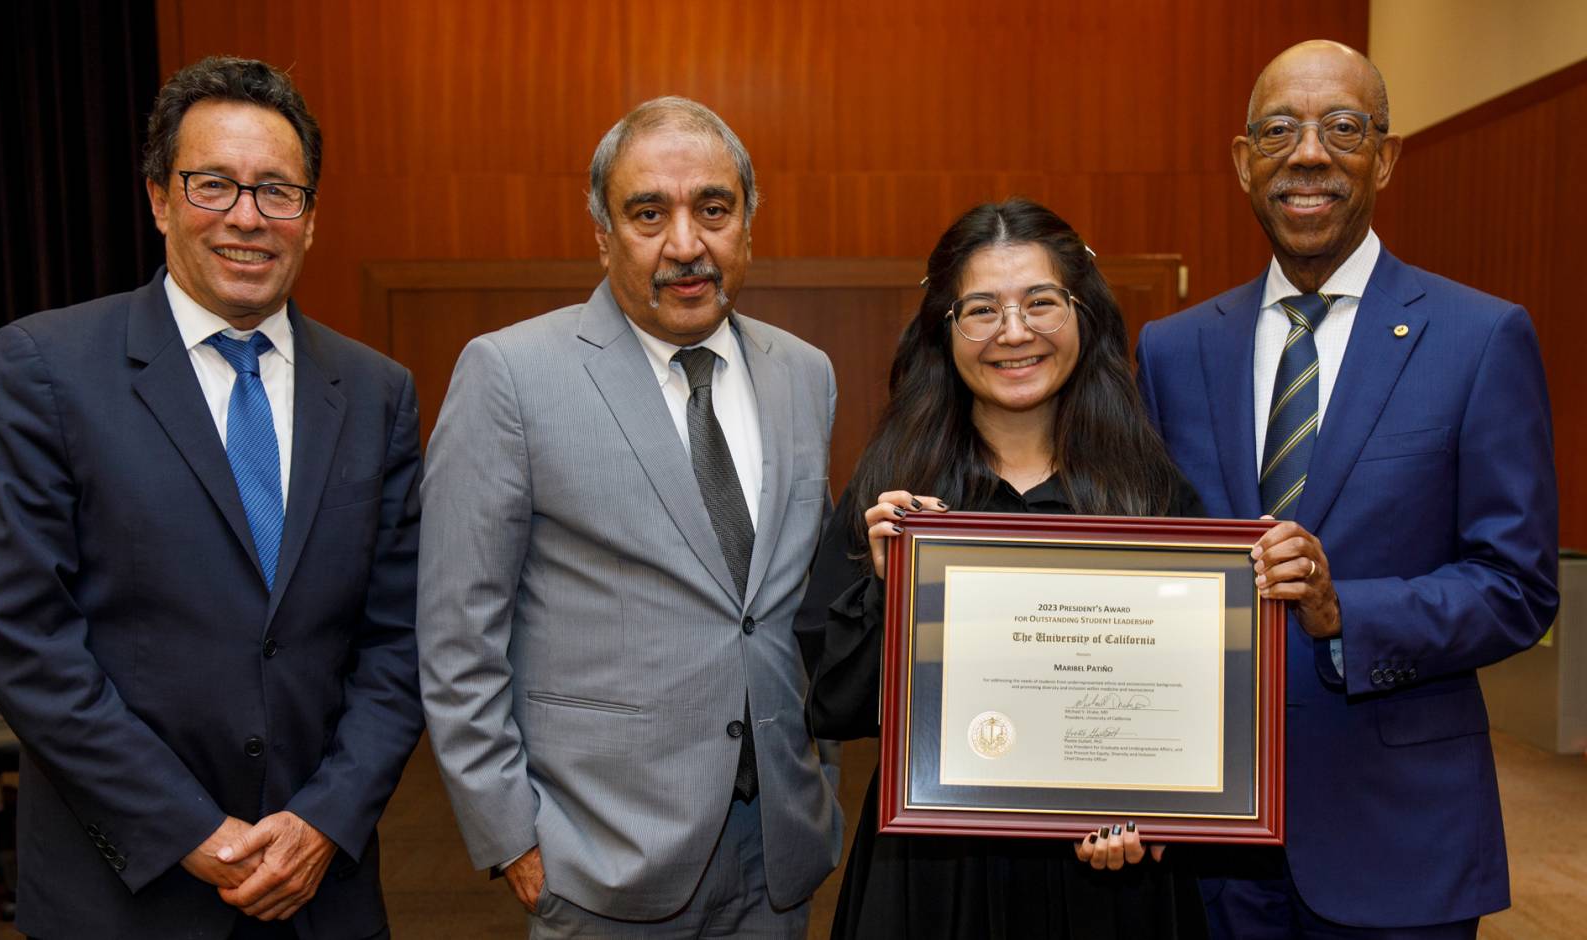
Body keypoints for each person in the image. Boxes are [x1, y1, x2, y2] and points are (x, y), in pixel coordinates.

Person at [0, 56, 424, 939]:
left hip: (319, 893)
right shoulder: (45, 368)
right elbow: (22, 637)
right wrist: (190, 830)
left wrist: (325, 819)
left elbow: (400, 641)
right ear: (158, 199)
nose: (247, 218)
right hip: (123, 894)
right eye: (214, 184)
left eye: (277, 192)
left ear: (312, 217)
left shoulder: (378, 393)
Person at [1136, 40, 1559, 939]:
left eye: (1343, 129)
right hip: (1212, 845)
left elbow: (1518, 587)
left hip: (1397, 837)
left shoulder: (1481, 339)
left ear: (1387, 156)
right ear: (1244, 162)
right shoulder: (1172, 351)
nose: (1309, 154)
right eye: (1280, 130)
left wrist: (1346, 612)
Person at [417, 96, 842, 937]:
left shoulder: (805, 374)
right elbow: (456, 633)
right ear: (604, 235)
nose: (685, 245)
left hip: (777, 853)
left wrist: (820, 776)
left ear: (748, 225)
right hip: (600, 856)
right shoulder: (510, 374)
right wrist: (510, 836)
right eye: (649, 213)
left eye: (712, 209)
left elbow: (791, 611)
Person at [795, 198, 1208, 940]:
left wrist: (1156, 807)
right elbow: (837, 706)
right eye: (981, 309)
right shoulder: (892, 488)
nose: (1014, 333)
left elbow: (1194, 701)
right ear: (943, 329)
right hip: (934, 878)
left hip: (1108, 880)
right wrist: (892, 589)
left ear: (1083, 313)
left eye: (1041, 303)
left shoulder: (1151, 491)